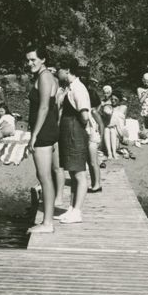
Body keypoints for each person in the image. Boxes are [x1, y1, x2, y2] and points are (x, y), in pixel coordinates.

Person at [26, 48, 62, 234]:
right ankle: (48, 220)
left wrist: (34, 135)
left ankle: (47, 223)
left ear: (43, 60)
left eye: (33, 60)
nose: (30, 63)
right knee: (47, 176)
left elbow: (44, 107)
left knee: (44, 177)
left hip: (44, 132)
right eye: (28, 60)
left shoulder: (45, 77)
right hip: (48, 130)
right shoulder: (45, 76)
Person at [55, 58, 92, 224]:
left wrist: (76, 129)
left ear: (67, 70)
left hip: (75, 132)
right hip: (68, 132)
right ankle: (71, 209)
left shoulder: (78, 88)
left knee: (79, 173)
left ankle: (77, 212)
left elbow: (84, 115)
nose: (57, 72)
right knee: (72, 170)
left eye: (59, 69)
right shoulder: (69, 88)